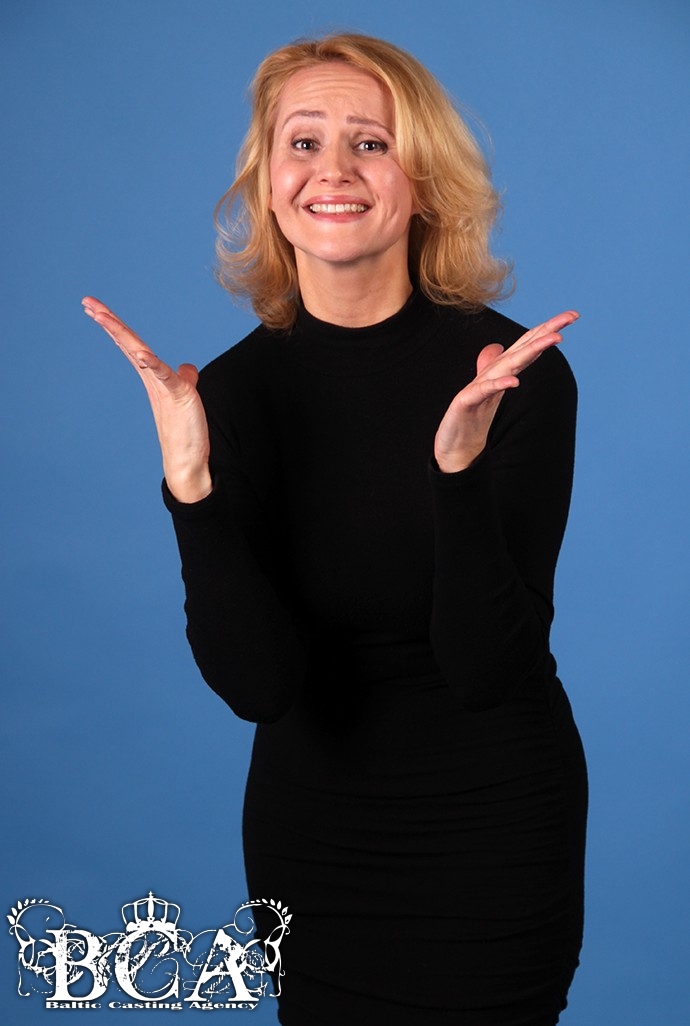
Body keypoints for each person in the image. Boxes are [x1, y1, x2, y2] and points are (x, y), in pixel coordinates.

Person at [83, 32, 587, 1026]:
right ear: (268, 182)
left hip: (493, 829)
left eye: (371, 143)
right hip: (313, 839)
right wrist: (192, 488)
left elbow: (488, 670)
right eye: (303, 142)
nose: (334, 171)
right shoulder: (230, 395)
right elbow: (259, 687)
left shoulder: (512, 378)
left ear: (422, 179)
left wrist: (456, 476)